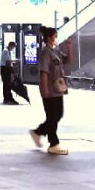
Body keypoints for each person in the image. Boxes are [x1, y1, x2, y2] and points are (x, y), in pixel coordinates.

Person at [30, 26, 67, 155]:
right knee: (52, 116)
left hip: (58, 89)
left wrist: (70, 48)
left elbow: (68, 60)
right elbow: (44, 71)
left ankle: (38, 132)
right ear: (50, 37)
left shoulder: (56, 51)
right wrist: (44, 88)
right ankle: (53, 143)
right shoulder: (46, 52)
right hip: (49, 90)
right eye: (56, 36)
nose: (57, 38)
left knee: (58, 115)